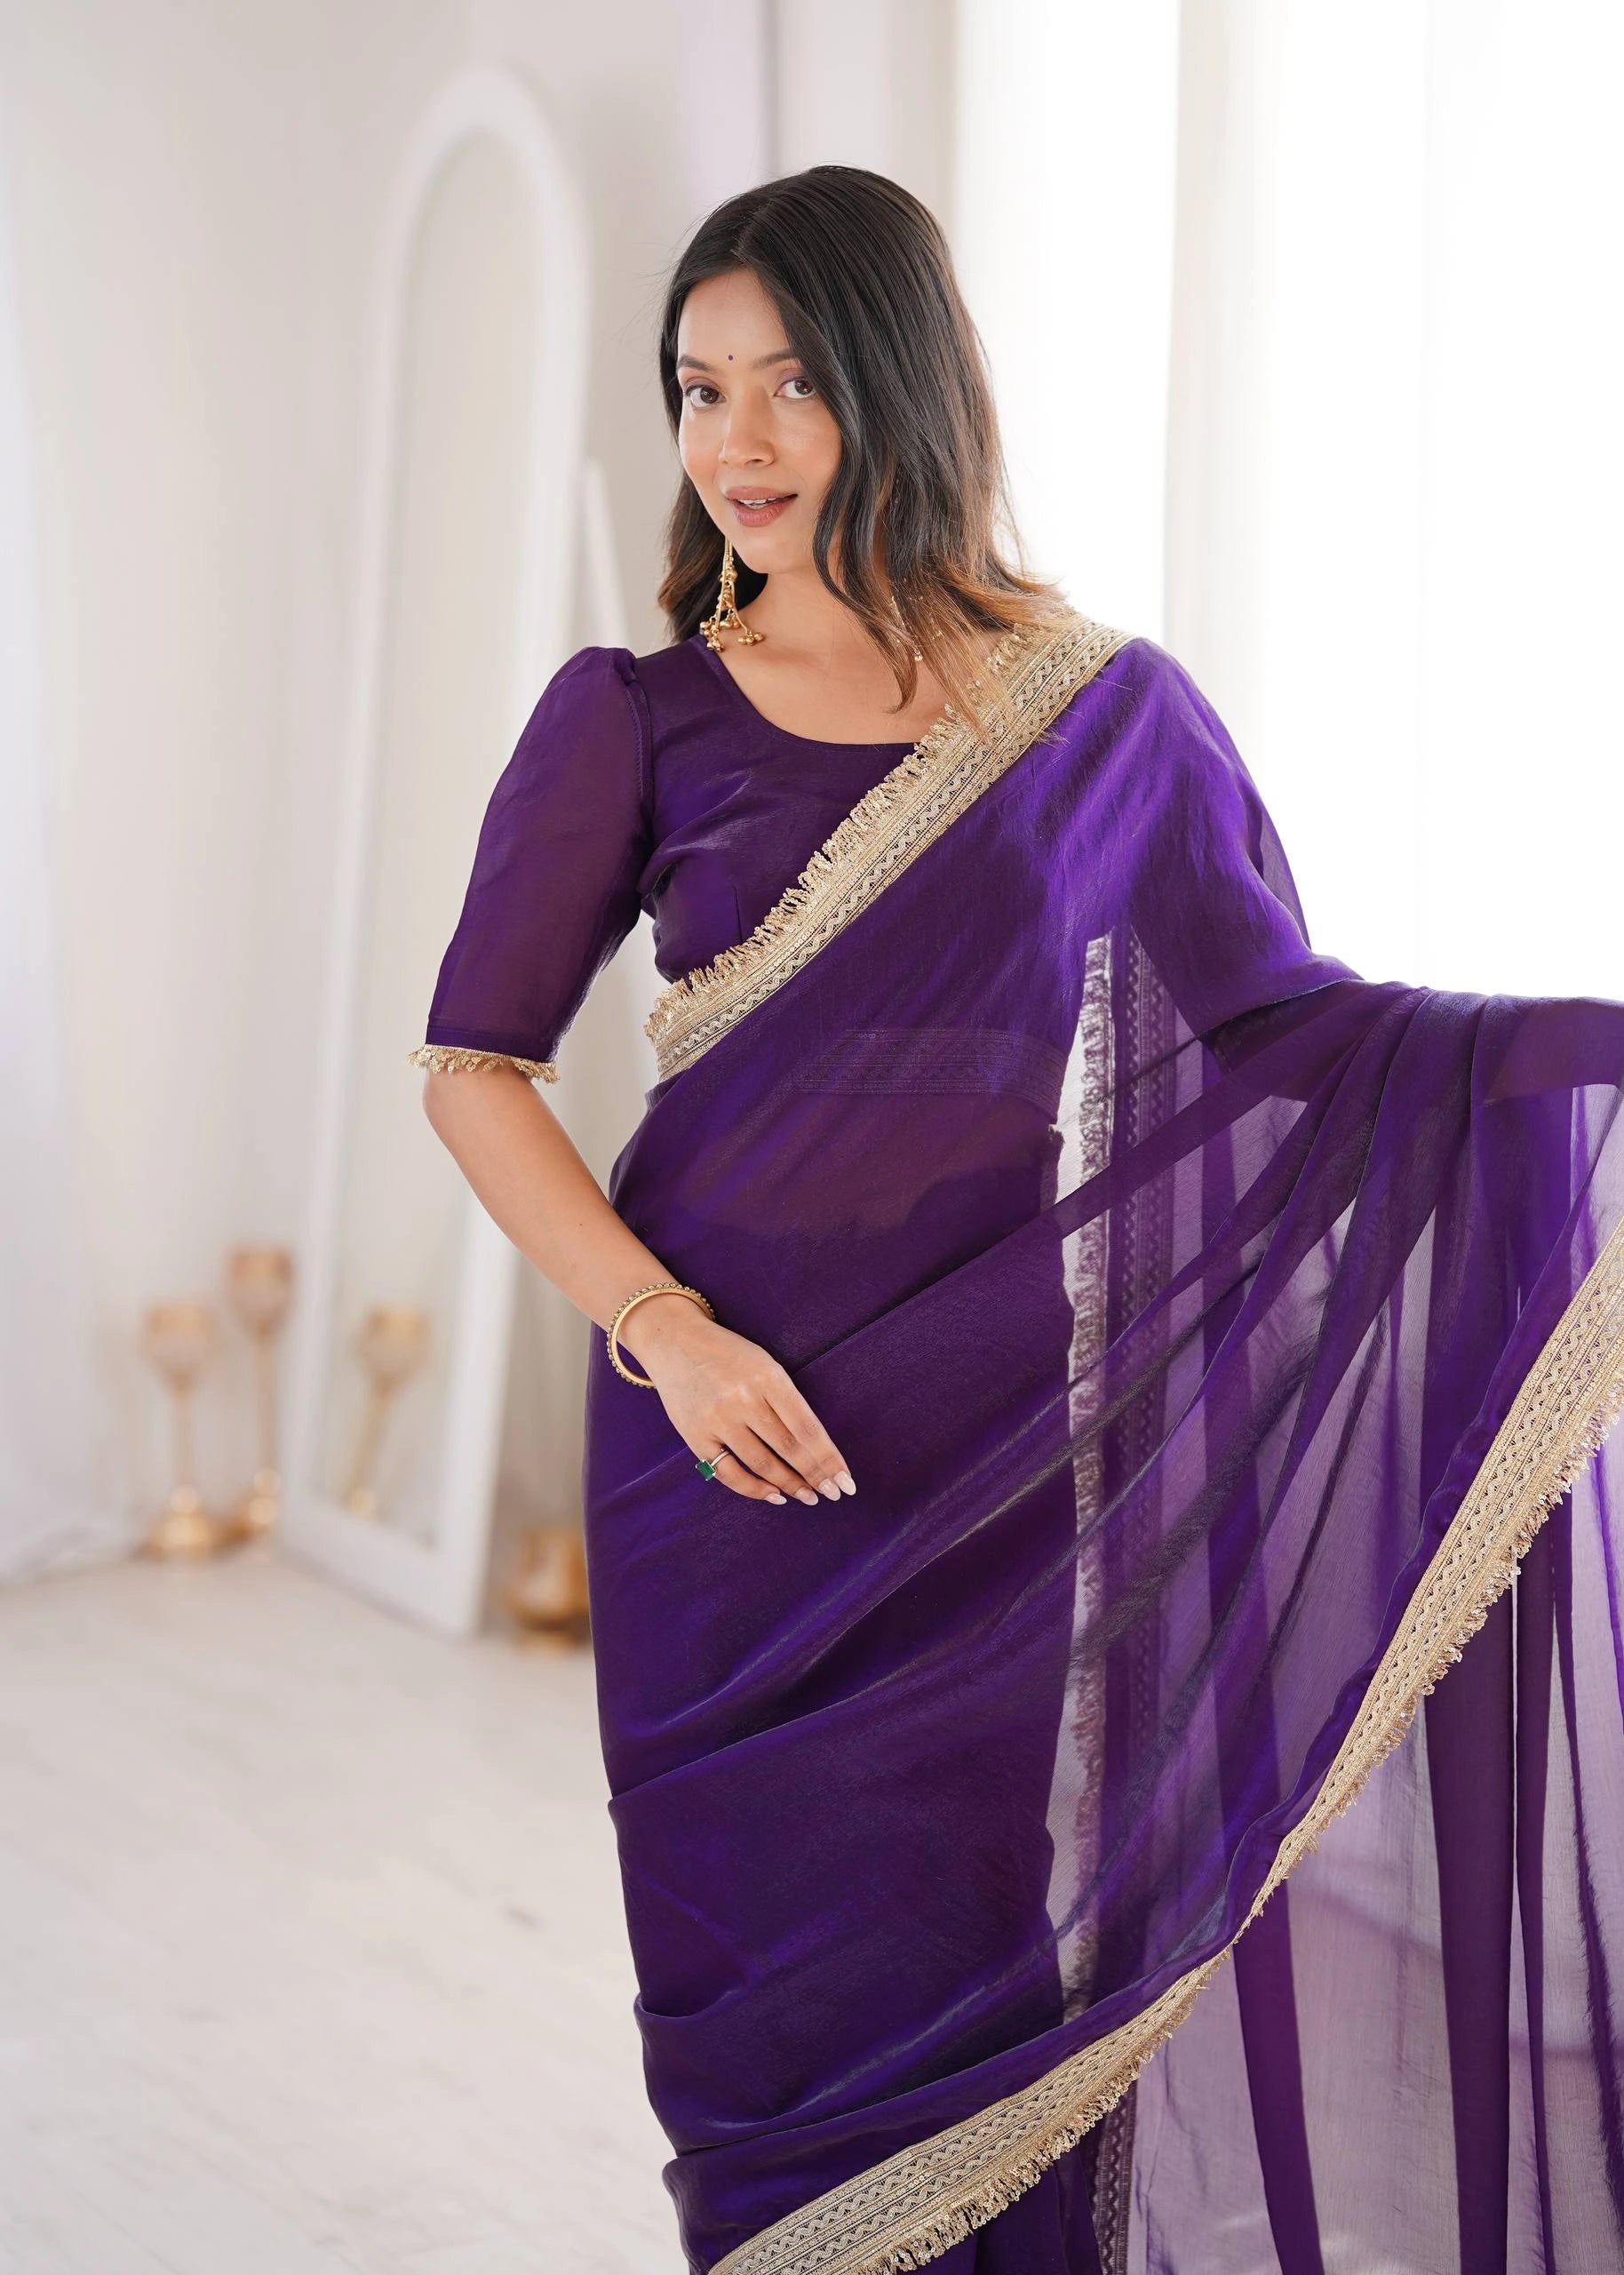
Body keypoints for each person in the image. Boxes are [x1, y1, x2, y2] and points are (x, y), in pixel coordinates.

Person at [412, 165, 1624, 2275]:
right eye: (698, 391)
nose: (740, 443)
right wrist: (661, 1331)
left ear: (901, 385)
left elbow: (1303, 1040)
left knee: (977, 1986)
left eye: (790, 383)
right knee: (753, 2018)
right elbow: (470, 1066)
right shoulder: (632, 714)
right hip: (715, 1449)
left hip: (982, 1465)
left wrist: (1591, 1052)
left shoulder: (1100, 716)